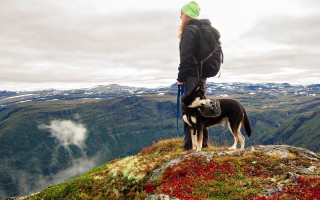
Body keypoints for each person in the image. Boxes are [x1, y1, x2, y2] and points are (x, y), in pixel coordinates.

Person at [177, 1, 209, 150]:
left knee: (189, 109)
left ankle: (189, 146)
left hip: (191, 75)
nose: (180, 16)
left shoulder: (189, 30)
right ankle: (203, 143)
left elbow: (186, 57)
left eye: (182, 13)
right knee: (200, 108)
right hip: (201, 75)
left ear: (187, 14)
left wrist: (180, 78)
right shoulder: (200, 29)